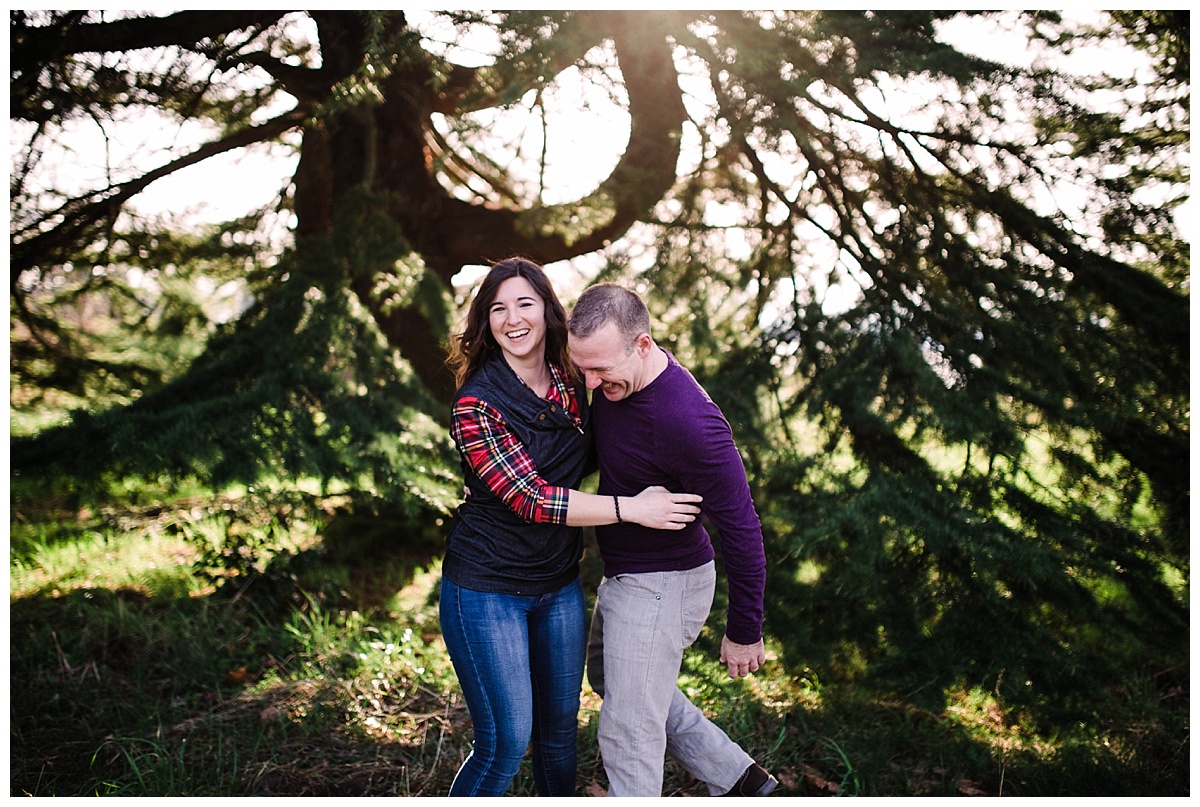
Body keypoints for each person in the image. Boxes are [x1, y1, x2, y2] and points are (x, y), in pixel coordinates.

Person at [441, 258, 703, 797]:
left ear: (548, 311)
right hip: (487, 586)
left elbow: (600, 431)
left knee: (561, 735)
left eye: (525, 303)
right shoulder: (476, 404)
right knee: (506, 743)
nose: (512, 319)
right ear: (485, 321)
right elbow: (533, 498)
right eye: (497, 308)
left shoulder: (571, 376)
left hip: (557, 582)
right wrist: (633, 507)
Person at [567, 283, 778, 797]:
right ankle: (739, 780)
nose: (591, 383)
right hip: (629, 575)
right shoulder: (622, 382)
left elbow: (742, 526)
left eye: (601, 369)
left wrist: (746, 629)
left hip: (665, 582)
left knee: (628, 728)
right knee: (614, 683)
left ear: (642, 345)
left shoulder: (690, 422)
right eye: (583, 368)